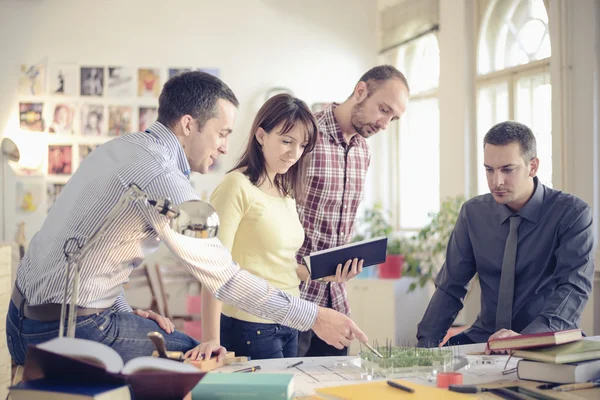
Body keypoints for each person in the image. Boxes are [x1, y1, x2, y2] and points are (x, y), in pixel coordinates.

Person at [6, 71, 367, 365]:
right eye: (221, 133)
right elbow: (224, 278)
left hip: (21, 321)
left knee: (186, 344)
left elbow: (91, 247)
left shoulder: (119, 148)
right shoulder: (167, 181)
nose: (225, 146)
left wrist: (124, 310)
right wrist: (314, 316)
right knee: (207, 363)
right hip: (67, 333)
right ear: (189, 124)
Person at [416, 121, 594, 348]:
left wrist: (525, 340)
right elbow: (451, 285)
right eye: (489, 169)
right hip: (486, 338)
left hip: (548, 339)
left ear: (533, 166)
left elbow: (573, 288)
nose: (496, 181)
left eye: (507, 170)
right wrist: (425, 347)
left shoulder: (572, 214)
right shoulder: (473, 213)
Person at [296, 65, 410, 357]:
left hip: (337, 300)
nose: (385, 123)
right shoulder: (306, 136)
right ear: (361, 92)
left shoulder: (363, 151)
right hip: (294, 300)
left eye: (393, 118)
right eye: (383, 110)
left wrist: (348, 264)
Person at [202, 93, 325, 360]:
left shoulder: (286, 190)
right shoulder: (235, 186)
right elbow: (212, 267)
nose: (295, 153)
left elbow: (278, 264)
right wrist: (211, 338)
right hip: (251, 324)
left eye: (303, 145)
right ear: (260, 136)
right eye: (286, 141)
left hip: (291, 317)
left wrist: (324, 273)